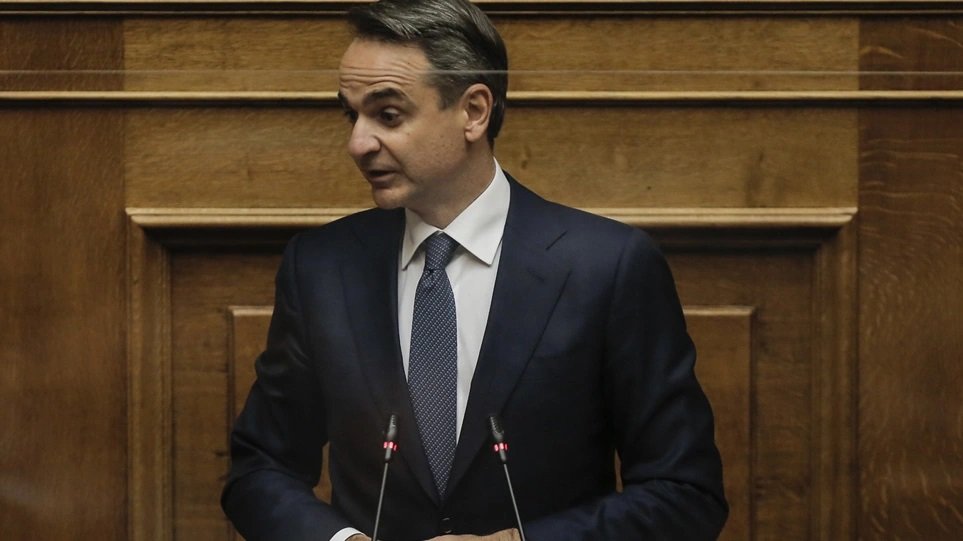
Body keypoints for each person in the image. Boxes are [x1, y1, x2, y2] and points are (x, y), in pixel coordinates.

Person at [221, 0, 727, 539]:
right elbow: (260, 468)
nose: (357, 144)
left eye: (388, 115)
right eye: (353, 116)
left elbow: (684, 493)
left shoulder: (607, 266)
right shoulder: (322, 267)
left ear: (474, 112)